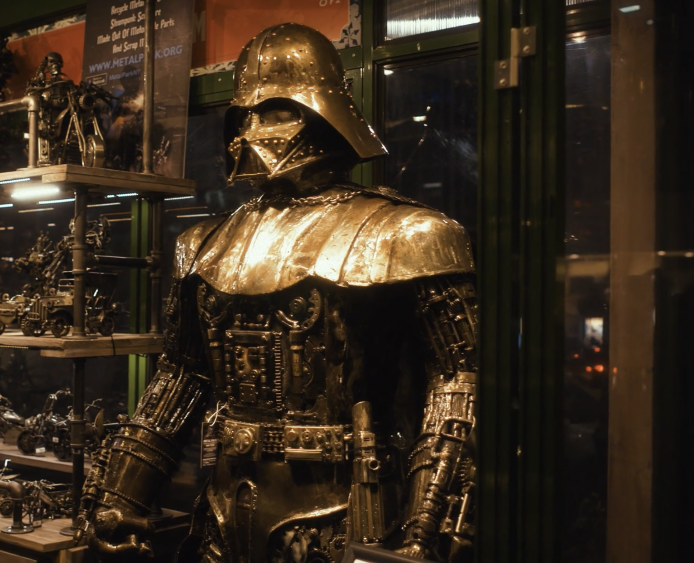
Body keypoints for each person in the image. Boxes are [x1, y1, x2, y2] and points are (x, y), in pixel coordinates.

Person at [78, 24, 477, 562]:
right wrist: (121, 496)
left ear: (323, 112)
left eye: (275, 112)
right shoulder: (204, 243)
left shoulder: (407, 233)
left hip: (346, 510)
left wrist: (427, 526)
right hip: (224, 506)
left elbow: (458, 384)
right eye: (244, 115)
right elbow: (180, 377)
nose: (254, 131)